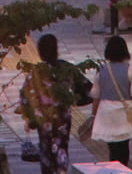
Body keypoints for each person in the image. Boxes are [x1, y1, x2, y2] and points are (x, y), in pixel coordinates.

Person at [21, 33, 90, 174]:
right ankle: (62, 170)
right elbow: (88, 90)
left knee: (46, 149)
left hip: (43, 119)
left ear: (40, 52)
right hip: (62, 117)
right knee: (61, 146)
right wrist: (73, 101)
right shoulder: (67, 69)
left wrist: (29, 117)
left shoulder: (35, 72)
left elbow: (25, 96)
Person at [90, 33, 132, 167]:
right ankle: (121, 168)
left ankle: (113, 167)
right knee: (124, 146)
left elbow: (96, 95)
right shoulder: (130, 69)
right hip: (123, 113)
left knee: (112, 147)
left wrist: (93, 114)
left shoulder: (101, 69)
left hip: (106, 113)